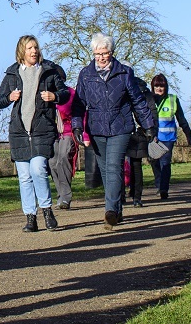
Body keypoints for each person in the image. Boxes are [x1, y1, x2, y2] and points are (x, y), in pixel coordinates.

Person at [70, 32, 155, 229]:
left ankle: (109, 211)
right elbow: (79, 104)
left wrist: (148, 125)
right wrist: (76, 126)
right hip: (97, 127)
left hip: (121, 125)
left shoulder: (125, 73)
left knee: (114, 166)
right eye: (97, 53)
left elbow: (137, 101)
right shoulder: (86, 74)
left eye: (104, 53)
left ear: (112, 52)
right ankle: (117, 209)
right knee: (105, 170)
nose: (100, 57)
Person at [0, 36, 67, 231]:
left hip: (42, 129)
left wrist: (55, 96)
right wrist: (9, 97)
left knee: (38, 169)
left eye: (35, 47)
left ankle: (47, 211)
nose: (34, 51)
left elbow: (65, 93)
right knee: (24, 176)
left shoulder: (48, 71)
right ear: (22, 52)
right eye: (29, 48)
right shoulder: (12, 74)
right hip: (19, 131)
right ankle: (30, 218)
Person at [148, 73, 191, 201]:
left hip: (168, 137)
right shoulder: (148, 99)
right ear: (152, 87)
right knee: (153, 161)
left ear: (166, 87)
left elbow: (181, 119)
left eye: (161, 86)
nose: (159, 89)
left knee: (165, 163)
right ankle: (159, 184)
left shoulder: (173, 99)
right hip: (152, 137)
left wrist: (188, 136)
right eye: (156, 86)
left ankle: (163, 189)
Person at [123, 73, 154, 208]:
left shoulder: (139, 89)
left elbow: (150, 111)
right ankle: (134, 197)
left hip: (134, 131)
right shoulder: (141, 88)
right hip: (133, 131)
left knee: (132, 166)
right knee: (131, 166)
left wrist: (150, 129)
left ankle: (133, 196)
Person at [49, 83, 81, 210]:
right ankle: (60, 194)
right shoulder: (46, 93)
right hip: (53, 133)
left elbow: (79, 113)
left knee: (63, 159)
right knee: (52, 162)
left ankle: (66, 197)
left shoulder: (71, 94)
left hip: (68, 132)